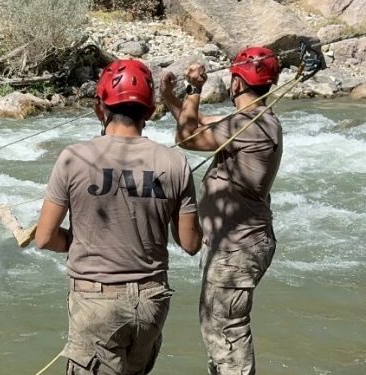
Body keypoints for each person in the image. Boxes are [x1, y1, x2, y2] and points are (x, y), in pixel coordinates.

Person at [35, 59, 203, 374]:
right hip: (151, 303)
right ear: (150, 111)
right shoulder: (175, 162)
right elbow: (191, 243)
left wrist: (77, 240)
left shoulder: (73, 158)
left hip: (96, 302)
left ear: (101, 107)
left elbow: (43, 237)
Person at [159, 46, 283, 374]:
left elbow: (187, 137)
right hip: (239, 244)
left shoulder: (250, 126)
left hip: (238, 248)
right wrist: (171, 97)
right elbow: (197, 124)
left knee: (225, 331)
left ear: (237, 84)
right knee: (218, 326)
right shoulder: (254, 121)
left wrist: (196, 89)